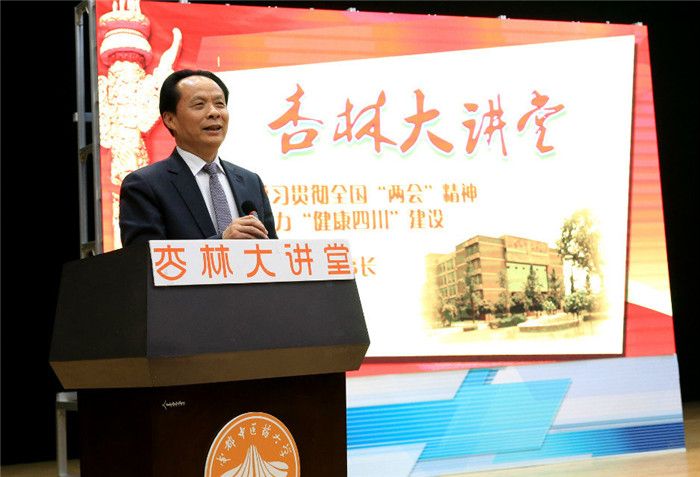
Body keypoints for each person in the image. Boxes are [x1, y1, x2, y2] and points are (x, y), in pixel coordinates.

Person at [119, 69, 277, 246]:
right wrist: (222, 242)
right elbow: (145, 257)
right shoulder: (144, 185)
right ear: (170, 119)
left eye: (220, 104)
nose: (214, 113)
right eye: (199, 105)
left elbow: (273, 251)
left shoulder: (250, 182)